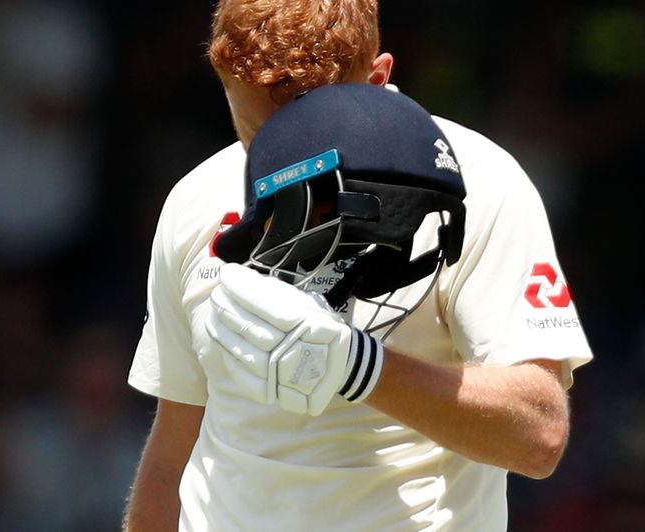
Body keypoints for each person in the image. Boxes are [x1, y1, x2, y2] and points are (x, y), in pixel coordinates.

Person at [123, 1, 593, 530]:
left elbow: (538, 435)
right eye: (256, 134)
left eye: (309, 139)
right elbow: (172, 454)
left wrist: (358, 366)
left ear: (377, 78)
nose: (278, 168)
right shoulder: (194, 201)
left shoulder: (476, 185)